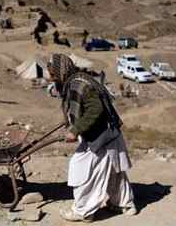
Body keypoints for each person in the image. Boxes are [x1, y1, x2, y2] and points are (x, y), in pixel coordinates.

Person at [47, 53, 136, 222]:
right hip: (105, 134)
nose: (51, 78)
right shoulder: (75, 81)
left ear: (61, 71)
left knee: (80, 168)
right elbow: (77, 108)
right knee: (112, 172)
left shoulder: (79, 85)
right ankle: (124, 204)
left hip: (102, 135)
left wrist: (76, 130)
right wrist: (70, 124)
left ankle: (83, 211)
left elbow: (95, 109)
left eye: (53, 74)